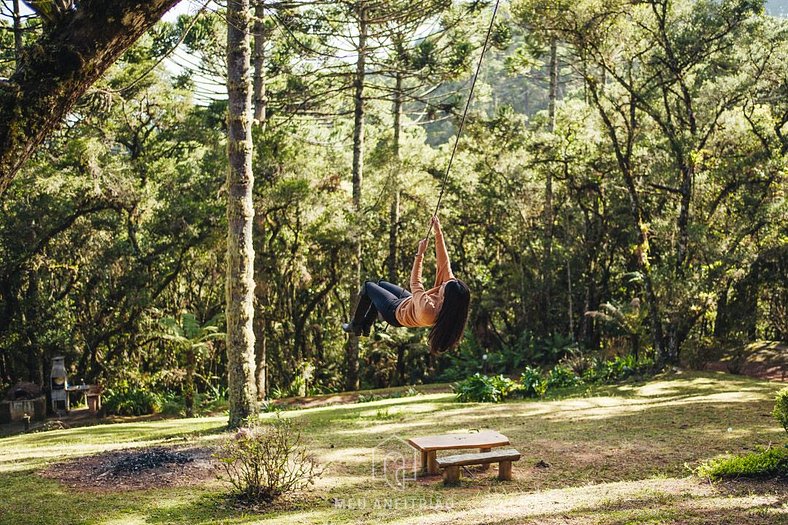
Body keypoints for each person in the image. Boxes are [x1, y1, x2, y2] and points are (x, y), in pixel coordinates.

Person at [342, 216, 471, 354]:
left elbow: (415, 283)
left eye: (445, 286)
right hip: (408, 302)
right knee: (381, 284)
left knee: (368, 287)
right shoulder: (451, 296)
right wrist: (438, 231)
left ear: (446, 297)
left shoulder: (428, 311)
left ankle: (355, 325)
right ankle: (366, 325)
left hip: (395, 313)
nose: (444, 282)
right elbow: (444, 263)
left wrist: (420, 254)